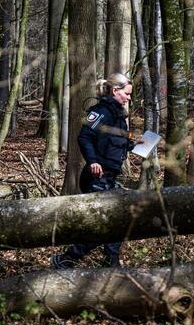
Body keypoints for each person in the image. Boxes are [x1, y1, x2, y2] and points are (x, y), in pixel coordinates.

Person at [51, 73, 137, 269]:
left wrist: (136, 143)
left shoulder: (119, 117)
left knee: (116, 221)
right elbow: (84, 137)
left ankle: (110, 264)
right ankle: (66, 259)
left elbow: (119, 142)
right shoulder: (100, 113)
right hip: (96, 177)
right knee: (108, 224)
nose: (129, 98)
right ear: (115, 91)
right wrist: (93, 161)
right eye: (127, 94)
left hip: (110, 177)